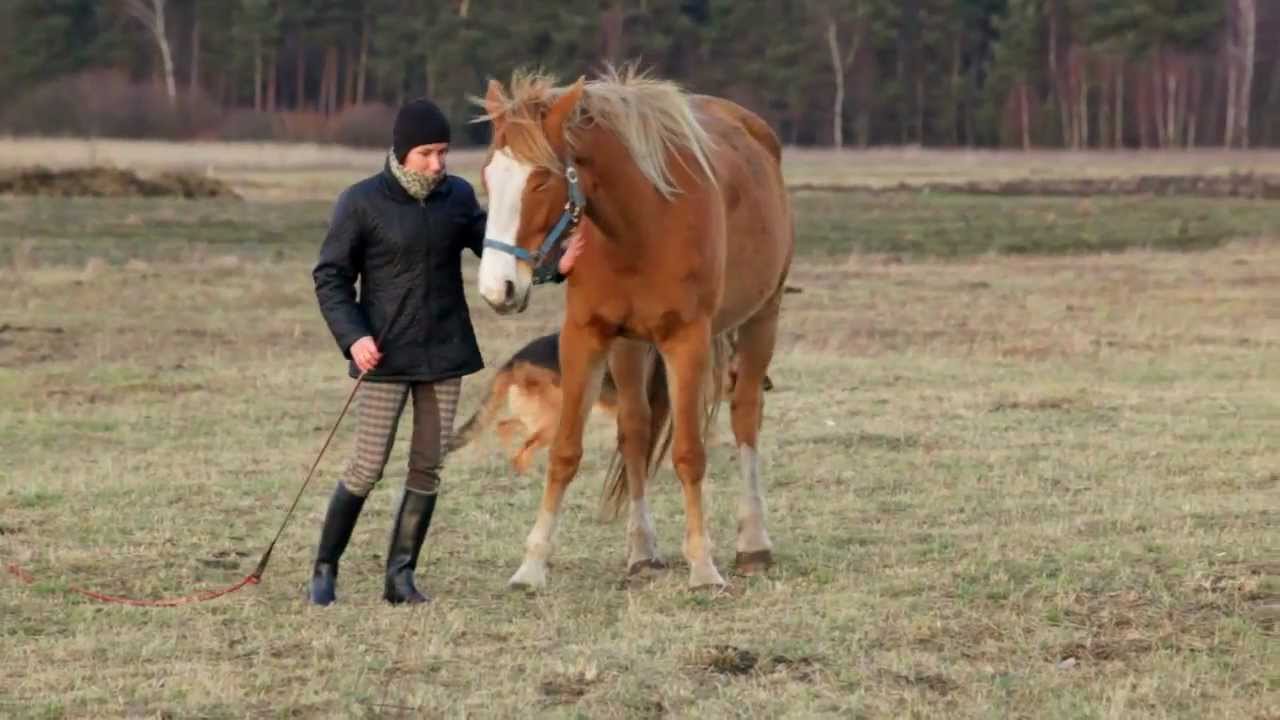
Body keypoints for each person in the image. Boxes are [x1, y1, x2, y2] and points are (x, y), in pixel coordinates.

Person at [309, 98, 487, 605]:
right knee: (366, 467)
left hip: (445, 354)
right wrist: (355, 337)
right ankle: (325, 568)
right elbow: (330, 278)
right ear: (402, 151)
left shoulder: (458, 196)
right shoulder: (361, 201)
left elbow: (495, 249)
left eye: (443, 152)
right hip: (385, 358)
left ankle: (400, 577)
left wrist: (555, 264)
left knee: (428, 468)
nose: (437, 163)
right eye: (426, 153)